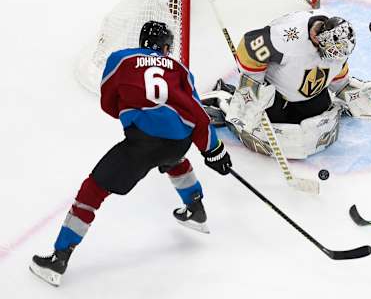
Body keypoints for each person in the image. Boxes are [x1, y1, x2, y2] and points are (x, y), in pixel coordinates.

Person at [29, 21, 232, 287]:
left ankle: (58, 258)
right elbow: (197, 114)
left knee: (93, 190)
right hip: (178, 140)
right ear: (167, 47)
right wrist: (214, 150)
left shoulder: (120, 59)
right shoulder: (181, 69)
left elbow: (108, 101)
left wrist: (132, 114)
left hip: (142, 144)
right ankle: (196, 209)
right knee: (173, 157)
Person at [203, 9, 371, 159]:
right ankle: (224, 100)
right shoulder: (286, 39)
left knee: (319, 112)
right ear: (318, 39)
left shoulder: (335, 47)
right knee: (255, 118)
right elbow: (249, 44)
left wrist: (346, 90)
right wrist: (251, 86)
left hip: (305, 93)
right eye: (334, 51)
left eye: (342, 52)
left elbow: (336, 69)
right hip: (275, 95)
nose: (338, 57)